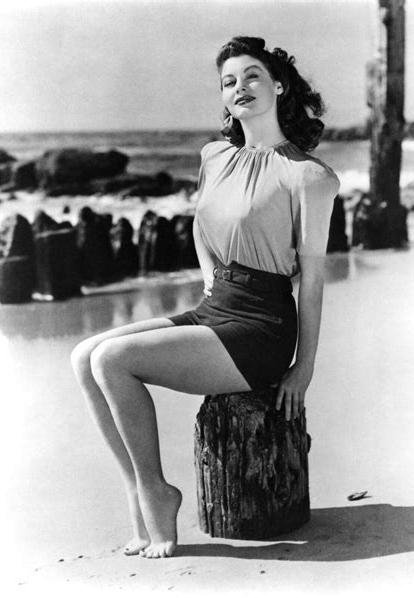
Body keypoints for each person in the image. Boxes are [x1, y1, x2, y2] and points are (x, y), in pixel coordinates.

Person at [70, 35, 340, 560]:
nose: (240, 87)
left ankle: (154, 490)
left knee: (114, 359)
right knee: (84, 358)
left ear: (279, 85)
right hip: (217, 304)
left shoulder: (309, 176)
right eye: (229, 81)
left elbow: (311, 278)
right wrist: (208, 278)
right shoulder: (215, 156)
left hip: (260, 326)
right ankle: (139, 485)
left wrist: (304, 365)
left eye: (253, 76)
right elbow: (202, 226)